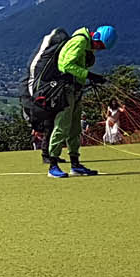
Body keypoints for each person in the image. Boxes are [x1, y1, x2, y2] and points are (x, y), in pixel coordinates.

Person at [43, 24, 115, 178]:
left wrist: (88, 77)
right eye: (99, 46)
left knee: (75, 128)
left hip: (75, 89)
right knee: (62, 126)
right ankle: (52, 165)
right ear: (96, 38)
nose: (98, 49)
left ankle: (75, 165)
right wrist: (89, 75)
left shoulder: (85, 44)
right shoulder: (80, 42)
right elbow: (67, 65)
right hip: (66, 89)